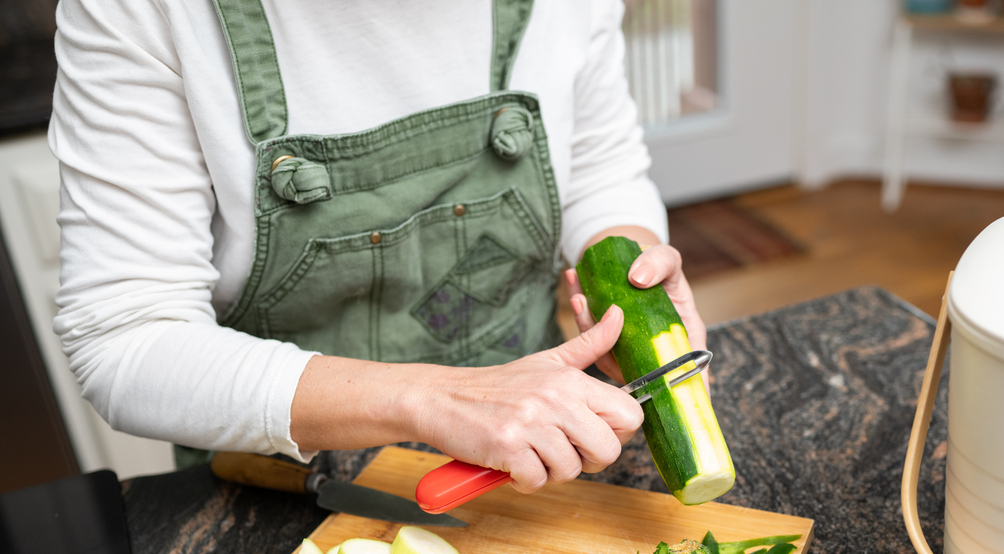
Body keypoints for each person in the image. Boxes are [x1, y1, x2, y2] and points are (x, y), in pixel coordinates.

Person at [49, 0, 706, 495]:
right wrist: (432, 399)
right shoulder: (140, 11)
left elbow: (595, 163)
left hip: (536, 448)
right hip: (281, 477)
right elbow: (128, 338)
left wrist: (629, 282)